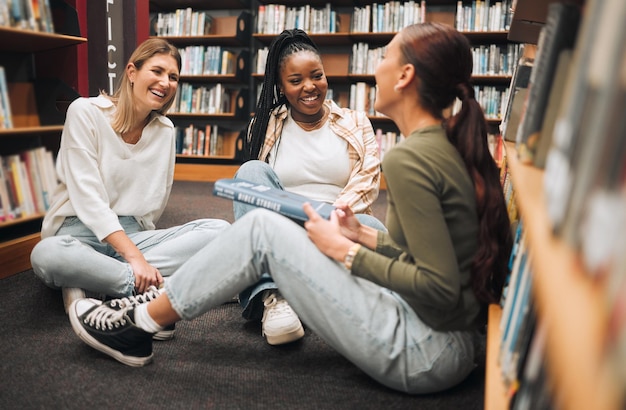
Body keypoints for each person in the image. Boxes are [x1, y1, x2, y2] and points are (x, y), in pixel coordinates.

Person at [67, 22, 513, 394]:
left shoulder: (411, 158)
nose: (374, 68)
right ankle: (173, 310)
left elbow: (435, 288)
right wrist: (366, 237)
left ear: (405, 77)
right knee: (261, 215)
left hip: (423, 351)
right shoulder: (443, 145)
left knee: (261, 231)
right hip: (448, 340)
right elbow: (438, 263)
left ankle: (139, 323)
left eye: (383, 57)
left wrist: (344, 252)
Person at [30, 38, 231, 339]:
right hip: (78, 232)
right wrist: (136, 261)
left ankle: (97, 282)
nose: (166, 82)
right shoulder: (84, 112)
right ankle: (152, 290)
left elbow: (154, 204)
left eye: (173, 77)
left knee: (220, 230)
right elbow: (88, 198)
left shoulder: (165, 132)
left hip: (134, 236)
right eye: (158, 71)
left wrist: (137, 250)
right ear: (132, 71)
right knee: (46, 255)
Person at [233, 28, 383, 345]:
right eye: (296, 80)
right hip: (283, 230)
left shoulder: (356, 122)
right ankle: (273, 295)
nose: (310, 87)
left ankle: (300, 286)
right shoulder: (263, 124)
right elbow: (255, 195)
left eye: (317, 76)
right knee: (250, 172)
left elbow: (367, 184)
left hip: (338, 228)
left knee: (375, 228)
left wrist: (324, 228)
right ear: (281, 86)